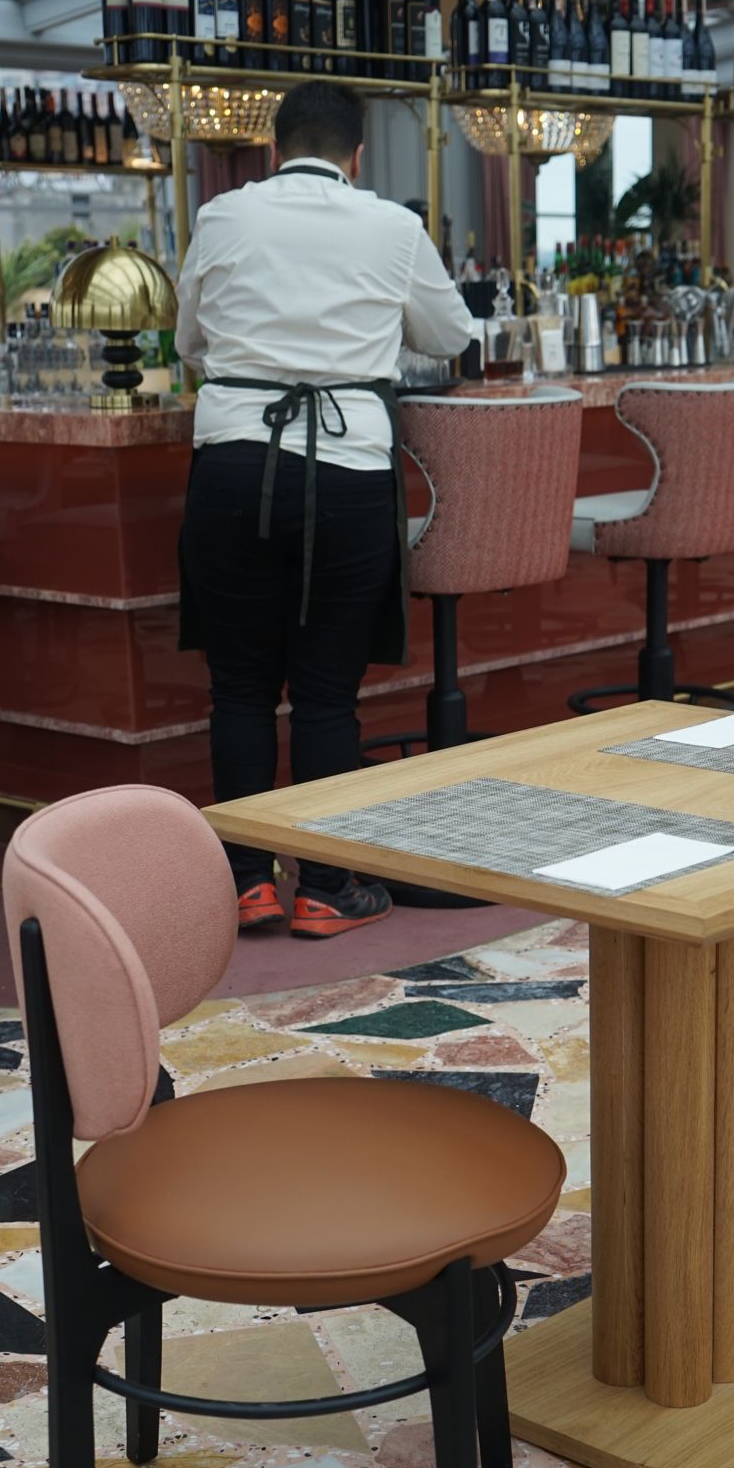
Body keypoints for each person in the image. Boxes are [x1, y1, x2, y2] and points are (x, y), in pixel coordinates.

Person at [175, 81, 472, 937]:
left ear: (274, 149)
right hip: (346, 470)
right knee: (325, 693)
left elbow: (189, 341)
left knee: (238, 688)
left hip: (233, 463)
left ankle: (246, 883)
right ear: (357, 154)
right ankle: (326, 889)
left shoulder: (222, 216)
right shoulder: (391, 226)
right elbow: (450, 336)